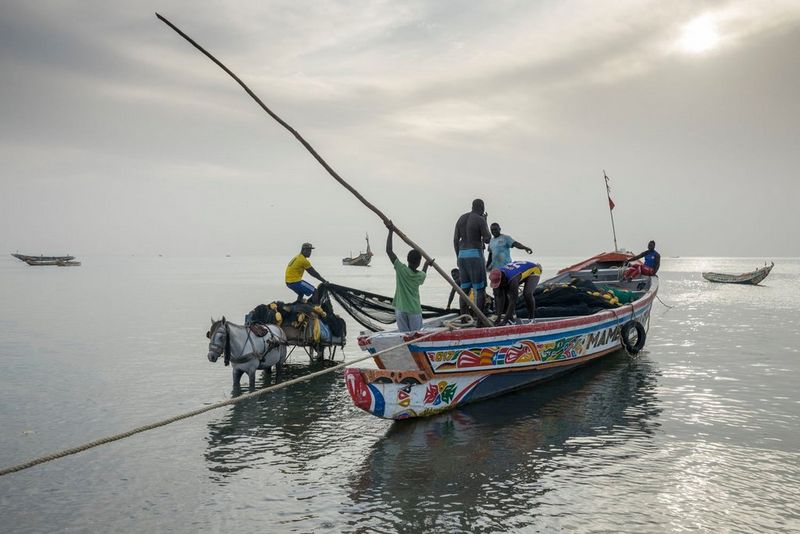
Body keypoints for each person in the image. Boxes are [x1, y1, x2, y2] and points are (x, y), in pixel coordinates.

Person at [385, 221, 430, 332]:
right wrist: (426, 264)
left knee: (404, 337)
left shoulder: (401, 269)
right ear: (418, 263)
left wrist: (390, 231)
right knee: (416, 337)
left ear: (407, 259)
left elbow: (389, 251)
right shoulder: (420, 276)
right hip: (414, 311)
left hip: (400, 310)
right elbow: (423, 272)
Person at [453, 199, 491, 315]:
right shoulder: (480, 219)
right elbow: (487, 239)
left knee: (464, 289)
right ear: (482, 208)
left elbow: (455, 239)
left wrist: (457, 256)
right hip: (475, 254)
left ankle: (464, 317)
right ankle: (480, 320)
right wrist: (485, 221)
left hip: (462, 255)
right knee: (479, 290)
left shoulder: (461, 218)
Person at [489, 260, 542, 326]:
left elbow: (513, 301)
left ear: (502, 278)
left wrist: (504, 321)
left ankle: (532, 318)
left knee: (527, 293)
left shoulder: (513, 280)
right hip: (518, 272)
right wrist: (498, 318)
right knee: (504, 294)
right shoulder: (496, 275)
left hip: (533, 270)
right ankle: (512, 319)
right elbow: (500, 298)